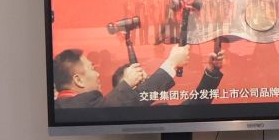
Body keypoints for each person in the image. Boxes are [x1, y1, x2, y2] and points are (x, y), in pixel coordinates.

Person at [53, 45, 190, 108]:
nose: (98, 74)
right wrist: (172, 62)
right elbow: (118, 104)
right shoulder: (79, 106)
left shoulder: (61, 106)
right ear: (78, 80)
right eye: (93, 69)